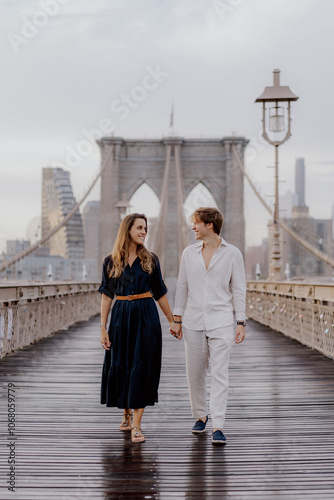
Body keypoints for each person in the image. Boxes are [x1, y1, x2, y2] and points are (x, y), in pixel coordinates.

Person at [170, 207, 246, 445]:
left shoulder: (233, 254)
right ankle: (200, 415)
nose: (193, 227)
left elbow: (239, 289)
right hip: (193, 321)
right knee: (195, 373)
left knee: (220, 373)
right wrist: (177, 318)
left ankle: (218, 425)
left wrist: (241, 321)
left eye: (196, 223)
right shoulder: (188, 253)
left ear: (209, 225)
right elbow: (182, 287)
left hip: (222, 320)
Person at [99, 213, 174, 443]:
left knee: (141, 365)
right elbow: (106, 295)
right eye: (139, 227)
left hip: (146, 315)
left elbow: (159, 292)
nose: (144, 231)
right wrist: (103, 327)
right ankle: (126, 414)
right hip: (120, 317)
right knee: (121, 364)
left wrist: (173, 320)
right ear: (127, 230)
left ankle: (137, 425)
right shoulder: (110, 261)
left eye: (146, 228)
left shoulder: (151, 259)